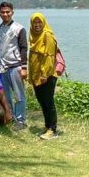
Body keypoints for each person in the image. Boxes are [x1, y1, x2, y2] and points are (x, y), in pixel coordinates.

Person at [0, 1, 28, 129]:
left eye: (8, 12)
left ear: (12, 13)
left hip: (15, 66)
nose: (5, 14)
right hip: (2, 68)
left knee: (19, 96)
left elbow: (24, 48)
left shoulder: (19, 28)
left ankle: (21, 120)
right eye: (3, 12)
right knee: (6, 96)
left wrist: (24, 68)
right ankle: (11, 117)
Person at [29, 12, 60, 140]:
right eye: (34, 22)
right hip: (37, 75)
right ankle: (48, 126)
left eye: (39, 22)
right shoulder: (33, 36)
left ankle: (52, 129)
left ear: (44, 23)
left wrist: (44, 75)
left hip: (46, 76)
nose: (37, 25)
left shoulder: (47, 36)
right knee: (42, 101)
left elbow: (49, 57)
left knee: (48, 102)